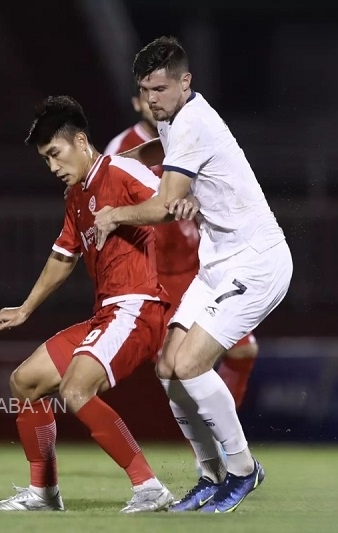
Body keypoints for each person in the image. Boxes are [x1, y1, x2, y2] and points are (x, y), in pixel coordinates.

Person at [93, 36, 292, 513]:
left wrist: (115, 214)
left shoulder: (192, 124)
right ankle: (210, 474)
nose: (152, 99)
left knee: (190, 364)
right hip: (218, 263)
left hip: (256, 261)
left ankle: (243, 470)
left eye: (160, 88)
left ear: (186, 82)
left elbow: (164, 206)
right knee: (167, 368)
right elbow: (156, 158)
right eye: (145, 89)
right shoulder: (177, 119)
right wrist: (110, 167)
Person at [0, 95, 190, 514]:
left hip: (138, 305)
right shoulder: (76, 196)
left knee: (76, 388)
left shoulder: (120, 169)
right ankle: (43, 492)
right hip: (108, 312)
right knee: (24, 382)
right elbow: (64, 257)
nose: (53, 167)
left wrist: (118, 215)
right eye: (45, 160)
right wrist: (26, 308)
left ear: (80, 141)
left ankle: (149, 487)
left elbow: (170, 203)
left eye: (55, 154)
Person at [104, 90, 260, 410]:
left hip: (199, 266)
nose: (154, 102)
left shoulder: (188, 135)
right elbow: (107, 208)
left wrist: (195, 201)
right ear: (135, 104)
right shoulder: (121, 150)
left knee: (243, 351)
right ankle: (211, 450)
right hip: (159, 274)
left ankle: (221, 437)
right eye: (146, 96)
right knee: (181, 368)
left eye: (160, 93)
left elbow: (214, 185)